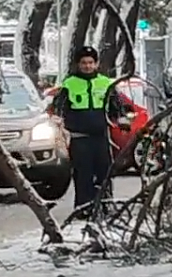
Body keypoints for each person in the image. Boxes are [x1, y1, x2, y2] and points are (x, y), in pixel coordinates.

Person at [48, 46, 132, 211]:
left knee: (104, 172)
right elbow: (59, 105)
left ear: (96, 64)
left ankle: (105, 206)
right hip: (80, 137)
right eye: (84, 63)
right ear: (78, 64)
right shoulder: (69, 84)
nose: (87, 66)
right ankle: (83, 207)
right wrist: (57, 118)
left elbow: (118, 104)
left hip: (101, 136)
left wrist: (122, 119)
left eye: (90, 63)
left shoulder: (105, 83)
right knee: (83, 174)